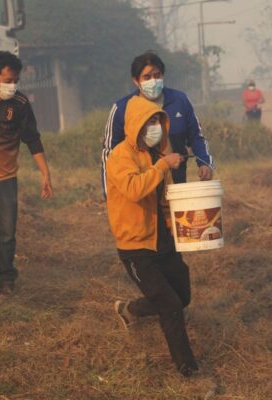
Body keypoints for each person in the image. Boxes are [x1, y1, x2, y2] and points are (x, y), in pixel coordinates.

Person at [106, 95, 198, 378]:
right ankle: (188, 368)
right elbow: (134, 189)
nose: (155, 127)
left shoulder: (156, 156)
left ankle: (130, 310)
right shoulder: (120, 156)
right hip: (136, 247)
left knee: (182, 296)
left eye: (158, 120)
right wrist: (162, 167)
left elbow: (164, 199)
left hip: (164, 240)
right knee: (169, 305)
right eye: (149, 122)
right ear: (135, 125)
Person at [0, 51, 53, 292]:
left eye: (15, 81)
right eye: (7, 80)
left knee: (6, 232)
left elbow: (32, 139)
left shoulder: (20, 104)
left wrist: (45, 174)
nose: (12, 86)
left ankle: (6, 278)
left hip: (5, 179)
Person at [102, 51, 213, 196]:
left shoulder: (180, 100)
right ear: (136, 81)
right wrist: (108, 192)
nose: (153, 81)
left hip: (175, 184)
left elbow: (196, 137)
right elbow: (109, 152)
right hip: (141, 189)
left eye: (157, 75)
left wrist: (204, 163)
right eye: (147, 77)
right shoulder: (122, 108)